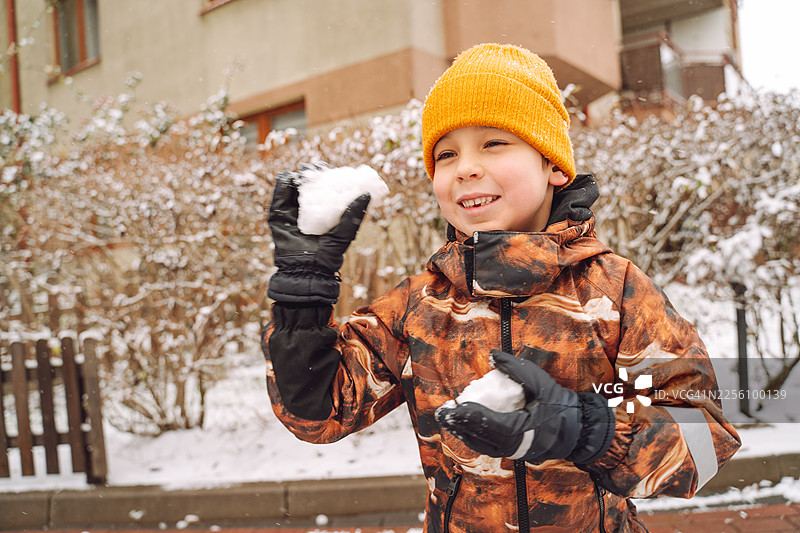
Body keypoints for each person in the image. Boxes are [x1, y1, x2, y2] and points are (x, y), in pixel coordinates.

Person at [262, 43, 741, 532]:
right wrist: (302, 298)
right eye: (446, 154)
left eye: (494, 143)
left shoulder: (616, 291)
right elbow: (318, 414)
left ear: (553, 165)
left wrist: (589, 428)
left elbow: (706, 444)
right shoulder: (418, 305)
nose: (465, 167)